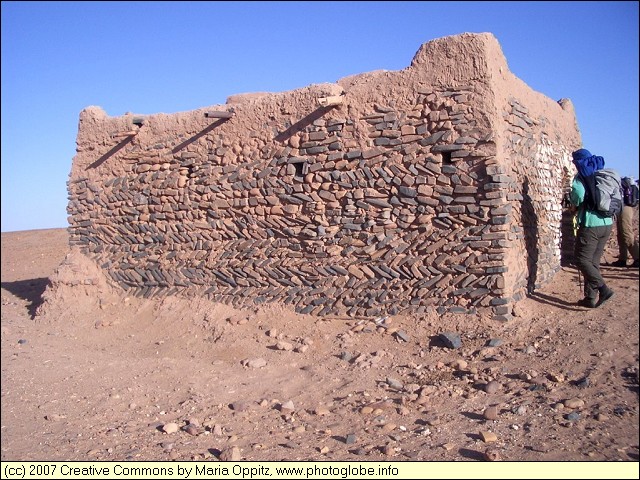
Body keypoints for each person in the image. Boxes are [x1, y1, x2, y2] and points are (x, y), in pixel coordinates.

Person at [569, 148, 615, 308]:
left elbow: (578, 195)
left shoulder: (582, 176)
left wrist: (573, 204)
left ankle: (603, 289)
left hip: (591, 224)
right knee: (593, 261)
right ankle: (590, 297)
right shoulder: (601, 173)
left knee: (581, 259)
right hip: (607, 223)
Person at [611, 176, 640, 268]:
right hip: (623, 207)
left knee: (626, 232)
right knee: (620, 234)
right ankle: (622, 259)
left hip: (624, 208)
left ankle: (637, 258)